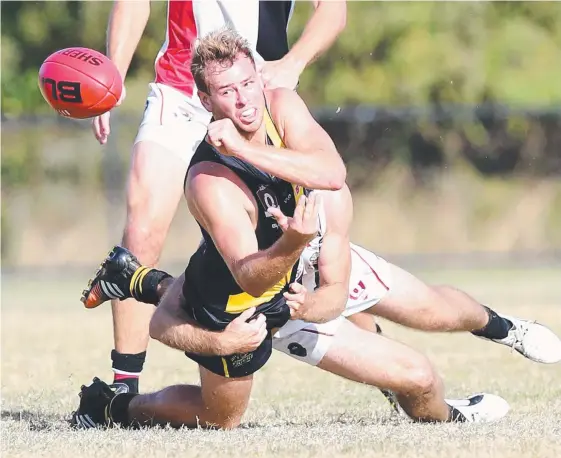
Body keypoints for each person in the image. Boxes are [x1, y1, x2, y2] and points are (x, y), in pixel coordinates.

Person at [71, 29, 510, 430]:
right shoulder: (210, 181)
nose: (244, 100)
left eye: (248, 84)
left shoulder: (280, 107)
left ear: (260, 80)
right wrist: (293, 241)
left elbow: (331, 172)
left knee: (422, 369)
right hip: (243, 303)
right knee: (220, 419)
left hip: (300, 282)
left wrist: (309, 302)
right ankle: (111, 407)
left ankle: (135, 278)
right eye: (227, 91)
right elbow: (245, 277)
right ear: (206, 102)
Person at [93, 0, 347, 393]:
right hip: (181, 92)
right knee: (141, 230)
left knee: (322, 231)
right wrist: (111, 77)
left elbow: (333, 10)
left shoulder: (269, 98)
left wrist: (292, 64)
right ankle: (123, 385)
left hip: (256, 90)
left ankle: (373, 344)